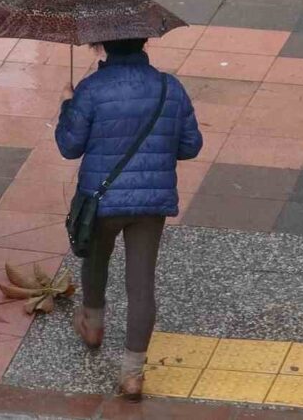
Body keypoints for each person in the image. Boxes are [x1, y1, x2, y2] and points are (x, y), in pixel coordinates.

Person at [55, 37, 202, 400]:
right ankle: (132, 374)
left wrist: (67, 106)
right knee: (141, 285)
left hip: (100, 200)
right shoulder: (170, 87)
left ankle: (92, 325)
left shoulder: (90, 90)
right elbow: (190, 145)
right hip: (151, 203)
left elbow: (69, 146)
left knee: (95, 259)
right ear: (144, 41)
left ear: (102, 44)